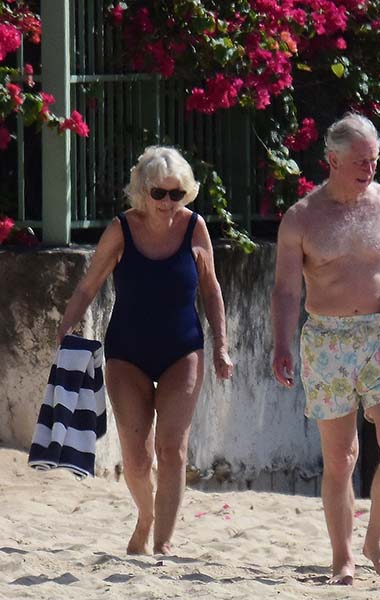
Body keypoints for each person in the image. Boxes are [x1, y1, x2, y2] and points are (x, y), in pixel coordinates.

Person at [271, 113, 380, 585]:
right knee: (340, 457)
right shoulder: (301, 217)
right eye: (360, 160)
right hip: (326, 339)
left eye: (374, 159)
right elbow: (284, 290)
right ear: (332, 160)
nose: (369, 167)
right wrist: (282, 344)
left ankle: (375, 539)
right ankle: (343, 557)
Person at [57, 146, 233, 555]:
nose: (168, 203)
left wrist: (221, 346)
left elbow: (211, 290)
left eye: (176, 194)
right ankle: (147, 516)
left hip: (182, 350)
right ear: (142, 191)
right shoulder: (121, 229)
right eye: (159, 194)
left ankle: (164, 542)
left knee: (172, 449)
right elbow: (88, 286)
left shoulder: (195, 228)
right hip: (127, 353)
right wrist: (66, 328)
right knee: (137, 459)